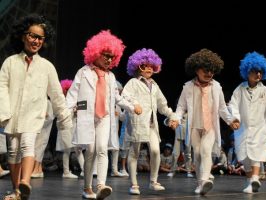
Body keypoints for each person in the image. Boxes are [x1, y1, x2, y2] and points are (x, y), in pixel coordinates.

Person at [0, 14, 72, 200]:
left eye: (40, 38)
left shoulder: (47, 67)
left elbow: (56, 94)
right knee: (13, 151)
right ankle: (17, 191)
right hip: (12, 116)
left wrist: (64, 118)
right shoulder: (10, 62)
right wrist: (3, 114)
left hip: (33, 115)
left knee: (27, 144)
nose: (36, 41)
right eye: (33, 36)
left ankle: (25, 182)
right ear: (23, 36)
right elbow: (1, 88)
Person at [66, 30, 142, 200]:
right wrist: (65, 113)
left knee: (102, 149)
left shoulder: (111, 76)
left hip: (105, 117)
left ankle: (101, 184)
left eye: (111, 56)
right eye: (105, 55)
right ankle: (87, 187)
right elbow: (73, 94)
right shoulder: (83, 72)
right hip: (88, 116)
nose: (108, 59)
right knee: (91, 150)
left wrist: (131, 106)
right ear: (95, 53)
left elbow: (118, 98)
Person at [175, 48, 239, 195]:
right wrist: (176, 119)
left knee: (205, 151)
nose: (209, 73)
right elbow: (181, 107)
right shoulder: (188, 87)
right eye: (206, 70)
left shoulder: (216, 87)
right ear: (196, 69)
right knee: (197, 154)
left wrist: (230, 121)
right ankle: (200, 183)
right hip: (194, 128)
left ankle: (204, 181)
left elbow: (222, 108)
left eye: (212, 70)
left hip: (210, 127)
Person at [121, 48, 178, 195]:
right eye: (144, 66)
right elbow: (124, 97)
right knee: (134, 152)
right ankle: (134, 184)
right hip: (137, 122)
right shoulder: (133, 82)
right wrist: (134, 104)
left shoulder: (154, 84)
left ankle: (153, 181)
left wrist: (172, 116)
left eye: (151, 66)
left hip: (151, 124)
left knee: (155, 150)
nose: (148, 69)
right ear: (137, 67)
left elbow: (162, 105)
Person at [228, 51, 266, 193]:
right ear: (247, 71)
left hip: (259, 128)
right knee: (245, 158)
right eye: (255, 71)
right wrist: (235, 119)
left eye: (260, 72)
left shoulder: (265, 90)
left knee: (256, 154)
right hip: (242, 128)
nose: (258, 74)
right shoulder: (239, 89)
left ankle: (255, 178)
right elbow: (233, 105)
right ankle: (251, 183)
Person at [56, 79, 84, 179]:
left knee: (78, 149)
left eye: (69, 89)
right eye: (66, 89)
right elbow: (62, 115)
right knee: (67, 149)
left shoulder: (74, 101)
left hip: (74, 127)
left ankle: (85, 170)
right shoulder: (62, 101)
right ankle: (66, 172)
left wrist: (77, 112)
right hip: (65, 127)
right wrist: (73, 112)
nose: (68, 91)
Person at [165, 113, 194, 178]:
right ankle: (172, 171)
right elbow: (167, 122)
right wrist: (169, 121)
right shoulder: (178, 112)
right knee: (175, 154)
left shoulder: (190, 113)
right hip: (178, 134)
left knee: (188, 154)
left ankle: (189, 171)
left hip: (187, 135)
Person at [31, 99, 55, 178]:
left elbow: (50, 117)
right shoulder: (36, 101)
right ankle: (39, 170)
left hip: (44, 129)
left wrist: (45, 115)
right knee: (35, 148)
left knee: (39, 149)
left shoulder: (47, 102)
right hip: (35, 128)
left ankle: (36, 169)